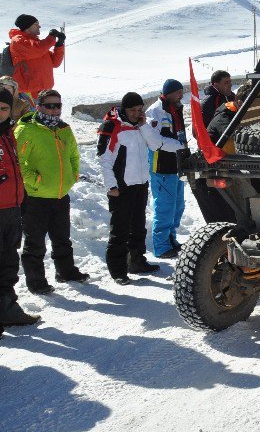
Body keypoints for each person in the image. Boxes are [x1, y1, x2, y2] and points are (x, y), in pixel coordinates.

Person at [99, 92, 186, 284]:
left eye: (139, 110)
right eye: (132, 110)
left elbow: (156, 144)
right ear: (124, 109)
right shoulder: (112, 126)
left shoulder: (141, 126)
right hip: (121, 187)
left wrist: (145, 125)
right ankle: (118, 271)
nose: (136, 113)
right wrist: (111, 185)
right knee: (120, 230)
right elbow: (104, 158)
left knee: (138, 227)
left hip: (140, 183)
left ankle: (137, 261)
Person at [15, 89, 87, 294]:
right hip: (36, 197)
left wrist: (72, 176)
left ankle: (66, 271)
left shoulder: (64, 129)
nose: (54, 110)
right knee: (35, 243)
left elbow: (74, 155)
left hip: (60, 195)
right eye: (49, 106)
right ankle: (36, 282)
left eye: (58, 106)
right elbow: (19, 162)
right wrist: (34, 181)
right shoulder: (26, 129)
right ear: (38, 106)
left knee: (62, 238)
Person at [0, 88, 41, 326]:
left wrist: (22, 199)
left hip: (12, 208)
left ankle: (8, 307)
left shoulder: (9, 134)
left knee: (8, 261)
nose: (0, 113)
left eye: (4, 108)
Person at [147, 79, 188, 259]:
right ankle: (161, 246)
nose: (181, 95)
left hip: (176, 165)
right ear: (169, 92)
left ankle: (171, 239)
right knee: (164, 206)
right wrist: (180, 146)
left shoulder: (175, 109)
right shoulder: (155, 111)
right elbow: (155, 142)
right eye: (178, 92)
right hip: (161, 166)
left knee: (177, 206)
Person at [8, 15, 66, 99]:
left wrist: (59, 44)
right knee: (30, 113)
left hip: (45, 90)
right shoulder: (18, 41)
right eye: (36, 24)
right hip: (28, 92)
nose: (39, 26)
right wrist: (51, 37)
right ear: (27, 26)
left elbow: (55, 63)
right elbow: (38, 50)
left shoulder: (37, 43)